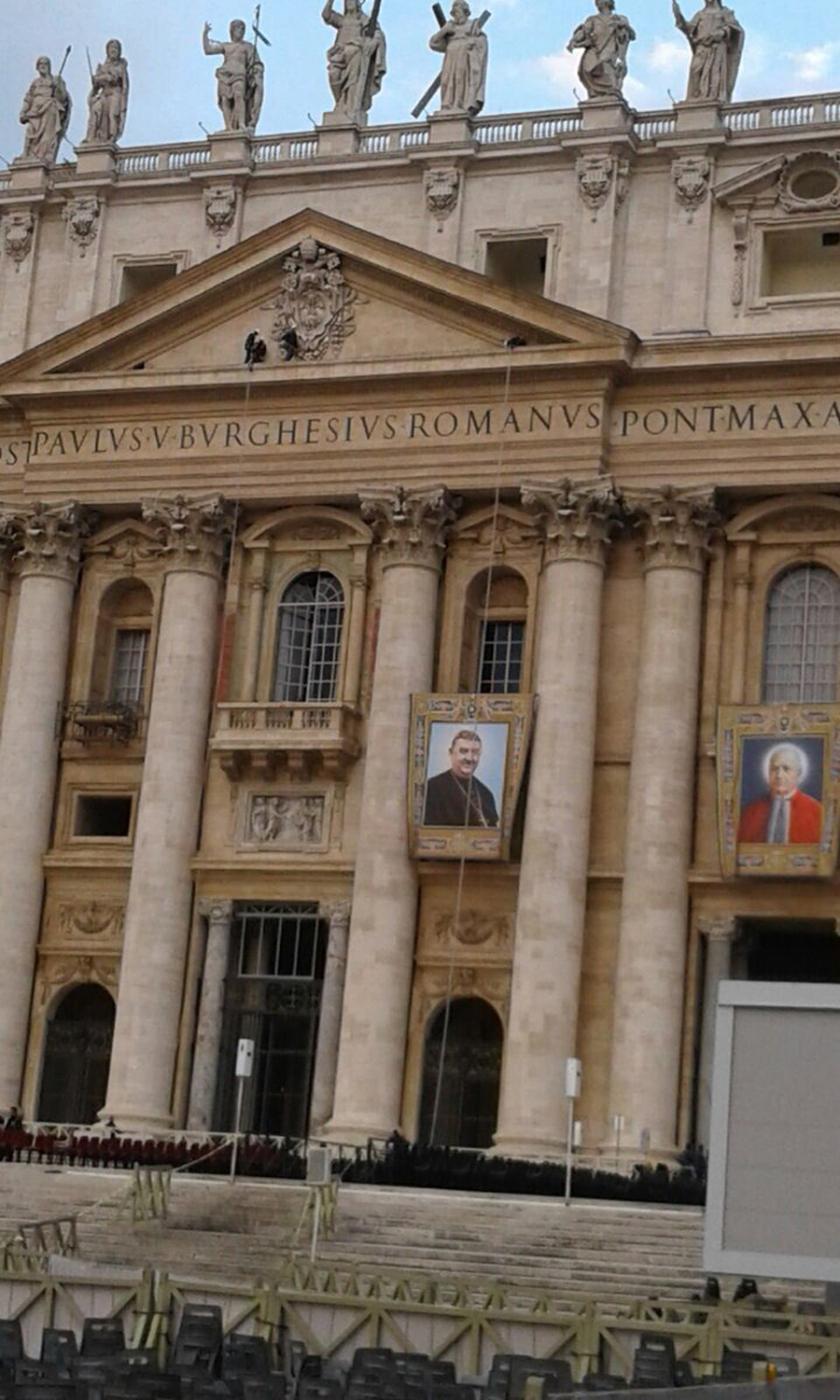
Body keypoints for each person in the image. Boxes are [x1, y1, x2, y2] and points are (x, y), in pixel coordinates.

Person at [738, 743, 823, 845]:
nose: (779, 775)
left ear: (798, 773)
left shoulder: (817, 812)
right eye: (774, 769)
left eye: (786, 769)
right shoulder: (749, 812)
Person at [323, 0, 387, 123]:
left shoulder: (363, 20)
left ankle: (351, 106)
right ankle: (340, 102)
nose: (350, 3)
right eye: (347, 1)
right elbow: (326, 15)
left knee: (353, 82)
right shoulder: (342, 20)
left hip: (356, 54)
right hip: (339, 55)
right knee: (333, 74)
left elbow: (378, 33)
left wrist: (373, 42)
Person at [423, 729, 499, 828]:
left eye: (475, 752)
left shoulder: (486, 794)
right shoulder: (432, 788)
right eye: (463, 751)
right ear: (451, 753)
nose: (469, 758)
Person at [673, 0, 744, 104]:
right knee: (695, 70)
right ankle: (694, 98)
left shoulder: (725, 12)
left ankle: (712, 99)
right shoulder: (700, 14)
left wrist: (723, 32)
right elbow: (688, 29)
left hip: (717, 48)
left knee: (714, 74)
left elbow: (735, 29)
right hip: (701, 48)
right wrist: (678, 15)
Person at [202, 19, 264, 132]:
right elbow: (208, 50)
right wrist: (205, 34)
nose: (240, 31)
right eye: (237, 28)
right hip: (224, 75)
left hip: (240, 75)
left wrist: (256, 71)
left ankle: (241, 125)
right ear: (232, 31)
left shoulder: (248, 47)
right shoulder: (226, 46)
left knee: (239, 96)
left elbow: (255, 63)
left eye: (242, 29)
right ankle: (229, 127)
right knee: (225, 100)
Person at [429, 2, 489, 118]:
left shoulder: (473, 26)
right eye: (453, 13)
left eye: (457, 12)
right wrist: (444, 30)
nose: (455, 16)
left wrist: (473, 43)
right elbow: (433, 43)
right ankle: (447, 104)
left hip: (464, 56)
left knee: (460, 79)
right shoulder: (449, 28)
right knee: (446, 80)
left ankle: (458, 104)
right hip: (450, 57)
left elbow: (481, 41)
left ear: (465, 12)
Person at [567, 0, 636, 100]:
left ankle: (610, 92)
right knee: (585, 69)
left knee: (604, 66)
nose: (597, 3)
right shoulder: (593, 19)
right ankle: (597, 94)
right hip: (594, 49)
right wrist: (573, 41)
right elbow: (583, 32)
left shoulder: (619, 18)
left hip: (610, 48)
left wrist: (623, 26)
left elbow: (632, 35)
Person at [19, 56, 72, 165]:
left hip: (49, 109)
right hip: (34, 112)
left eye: (45, 64)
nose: (43, 66)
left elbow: (63, 98)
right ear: (37, 68)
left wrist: (58, 87)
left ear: (49, 67)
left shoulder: (54, 80)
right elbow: (28, 98)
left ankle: (44, 154)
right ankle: (27, 154)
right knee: (30, 131)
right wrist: (23, 112)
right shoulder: (35, 83)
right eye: (40, 64)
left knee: (48, 134)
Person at [85, 39, 129, 145]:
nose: (113, 50)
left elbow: (113, 78)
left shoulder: (121, 66)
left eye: (116, 48)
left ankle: (111, 136)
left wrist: (100, 78)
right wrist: (95, 82)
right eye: (111, 48)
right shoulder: (103, 66)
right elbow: (97, 86)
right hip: (104, 94)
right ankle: (93, 137)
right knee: (96, 110)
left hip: (115, 93)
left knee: (112, 115)